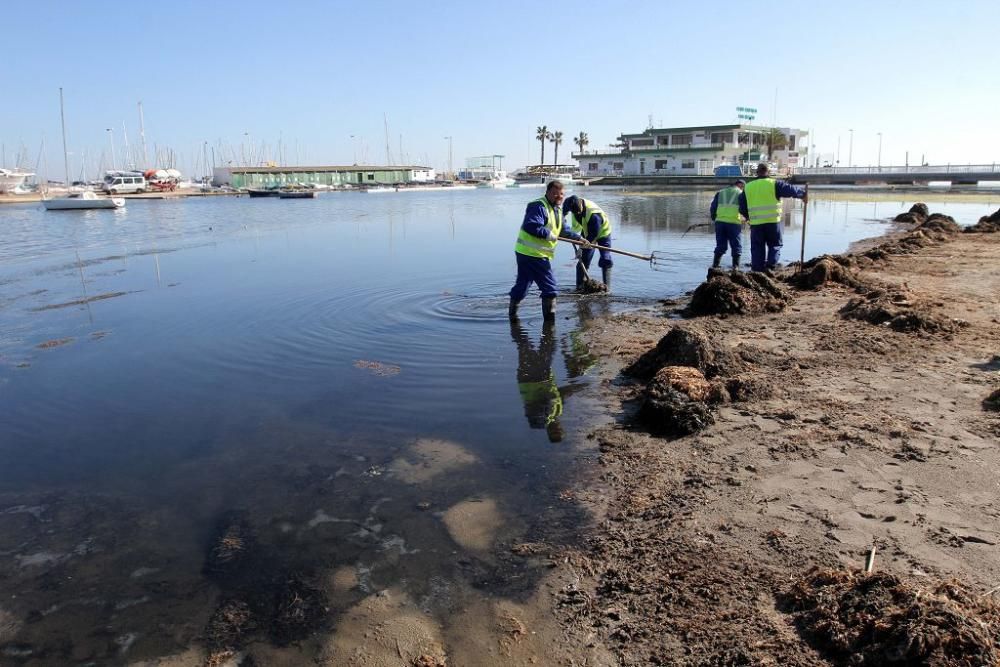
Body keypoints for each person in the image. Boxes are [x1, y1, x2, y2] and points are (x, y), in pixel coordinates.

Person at [509, 180, 584, 321]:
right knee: (550, 289)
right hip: (533, 254)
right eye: (556, 194)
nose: (559, 197)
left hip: (529, 253)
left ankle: (512, 316)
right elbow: (530, 225)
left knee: (523, 286)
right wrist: (547, 234)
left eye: (561, 194)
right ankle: (550, 326)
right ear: (548, 192)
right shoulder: (538, 206)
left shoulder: (558, 209)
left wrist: (579, 238)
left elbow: (563, 230)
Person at [739, 163, 807, 272]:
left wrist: (748, 217)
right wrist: (803, 194)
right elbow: (790, 189)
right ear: (769, 172)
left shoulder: (748, 187)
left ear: (757, 172)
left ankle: (757, 270)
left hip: (756, 223)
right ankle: (770, 267)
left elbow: (741, 206)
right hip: (773, 222)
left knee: (757, 247)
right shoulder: (774, 184)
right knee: (774, 245)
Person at [510, 321, 564, 443]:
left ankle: (516, 321)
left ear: (549, 432)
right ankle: (514, 322)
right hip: (527, 379)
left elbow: (548, 397)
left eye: (555, 432)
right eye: (559, 430)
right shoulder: (555, 413)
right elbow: (558, 393)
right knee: (525, 345)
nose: (557, 428)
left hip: (538, 378)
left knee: (546, 345)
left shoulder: (547, 416)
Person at [562, 195, 614, 290]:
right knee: (583, 260)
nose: (577, 214)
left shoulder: (594, 215)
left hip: (603, 232)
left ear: (581, 205)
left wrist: (581, 248)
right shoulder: (569, 203)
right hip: (587, 229)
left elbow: (592, 237)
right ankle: (580, 287)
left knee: (605, 259)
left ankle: (607, 288)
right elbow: (562, 213)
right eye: (575, 213)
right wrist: (562, 226)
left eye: (579, 212)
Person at [709, 179, 745, 269]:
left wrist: (714, 218)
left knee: (720, 245)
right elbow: (744, 208)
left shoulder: (721, 192)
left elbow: (713, 207)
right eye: (743, 187)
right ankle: (735, 267)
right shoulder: (740, 193)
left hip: (720, 223)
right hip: (734, 223)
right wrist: (747, 219)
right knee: (736, 246)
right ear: (740, 185)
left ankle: (715, 266)